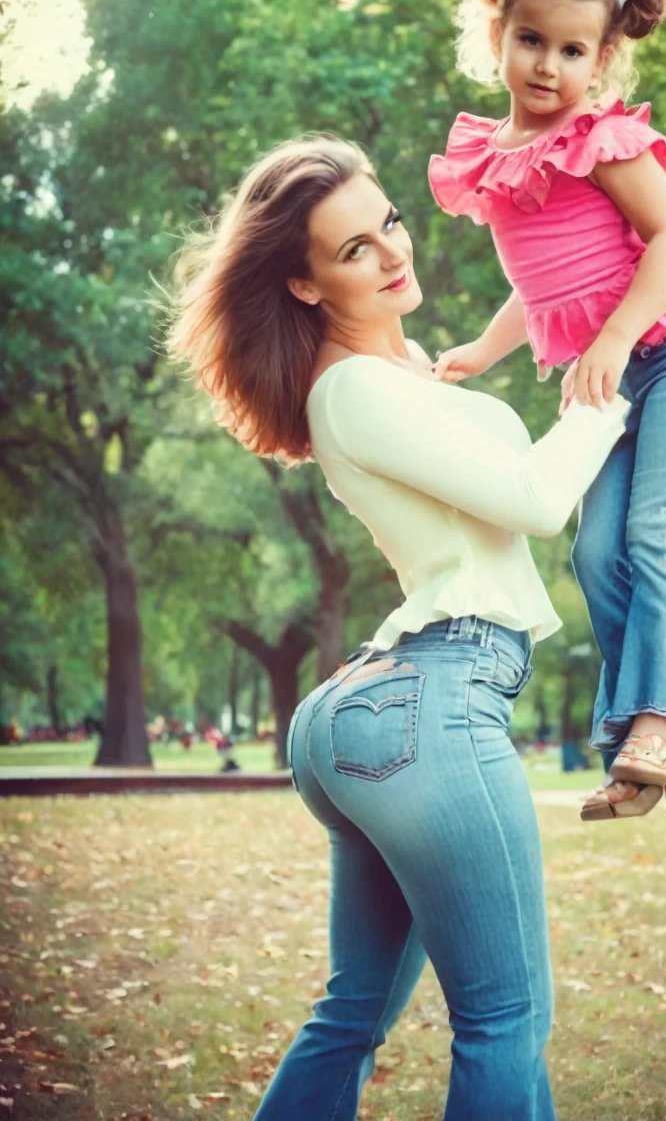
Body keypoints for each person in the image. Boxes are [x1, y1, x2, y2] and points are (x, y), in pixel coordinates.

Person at [166, 133, 628, 1120]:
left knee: (353, 1013)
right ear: (300, 284)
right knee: (505, 1017)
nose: (391, 253)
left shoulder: (394, 374)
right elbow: (538, 501)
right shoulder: (355, 389)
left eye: (389, 224)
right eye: (353, 252)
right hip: (435, 699)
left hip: (382, 705)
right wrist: (608, 385)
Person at [429, 0, 666, 820]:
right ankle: (646, 746)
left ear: (603, 61)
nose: (547, 66)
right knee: (597, 550)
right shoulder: (499, 156)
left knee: (652, 531)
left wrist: (610, 340)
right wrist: (483, 350)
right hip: (614, 378)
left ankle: (660, 728)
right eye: (530, 41)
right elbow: (542, 281)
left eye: (572, 50)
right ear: (497, 33)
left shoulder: (603, 139)